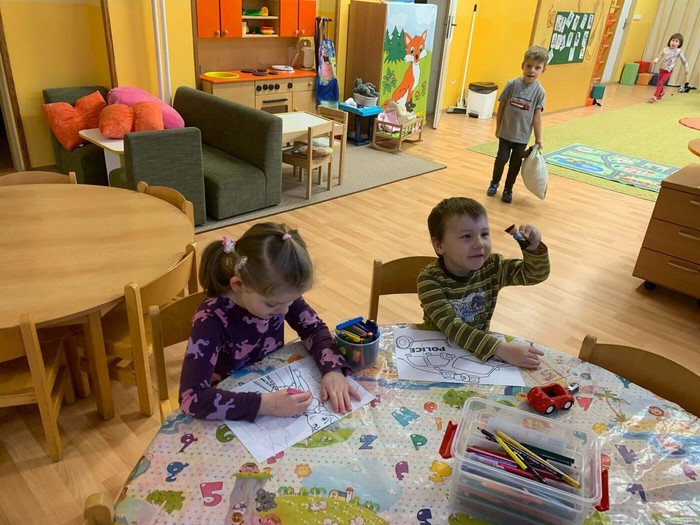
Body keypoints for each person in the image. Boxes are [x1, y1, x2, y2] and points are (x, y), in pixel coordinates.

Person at [179, 222, 360, 421]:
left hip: (271, 385)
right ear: (238, 285)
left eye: (291, 302)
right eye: (272, 304)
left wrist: (333, 370)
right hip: (231, 406)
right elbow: (191, 398)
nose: (284, 311)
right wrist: (266, 405)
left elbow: (314, 330)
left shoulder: (278, 294)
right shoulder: (210, 319)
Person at [417, 197, 550, 369]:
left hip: (478, 353)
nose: (479, 244)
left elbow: (535, 275)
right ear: (439, 246)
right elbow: (452, 326)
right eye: (466, 236)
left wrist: (533, 249)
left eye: (485, 234)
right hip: (436, 351)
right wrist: (501, 349)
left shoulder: (492, 267)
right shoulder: (429, 279)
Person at [487, 45, 547, 203]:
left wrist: (538, 139)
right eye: (529, 66)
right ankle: (494, 182)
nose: (532, 70)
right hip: (506, 133)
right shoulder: (512, 84)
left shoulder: (539, 92)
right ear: (523, 66)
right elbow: (501, 107)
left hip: (522, 137)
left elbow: (537, 118)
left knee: (515, 164)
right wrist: (498, 128)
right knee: (501, 159)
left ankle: (508, 189)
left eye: (537, 68)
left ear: (543, 70)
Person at [649, 33, 690, 103]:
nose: (674, 42)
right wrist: (656, 60)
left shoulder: (678, 51)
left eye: (676, 41)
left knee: (660, 82)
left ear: (679, 44)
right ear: (670, 41)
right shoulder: (665, 49)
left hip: (668, 70)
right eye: (673, 40)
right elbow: (659, 56)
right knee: (659, 82)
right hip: (662, 68)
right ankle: (661, 93)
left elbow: (684, 60)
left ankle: (654, 97)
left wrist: (686, 68)